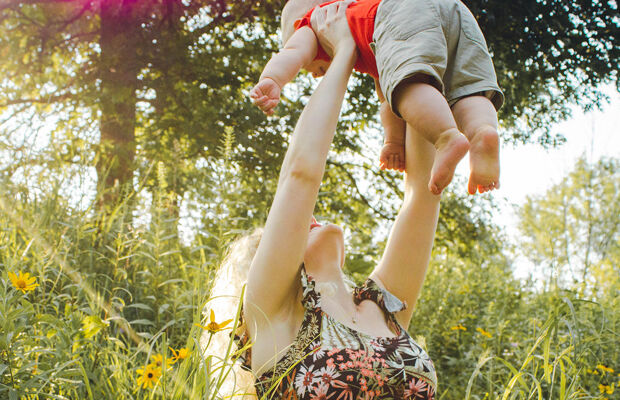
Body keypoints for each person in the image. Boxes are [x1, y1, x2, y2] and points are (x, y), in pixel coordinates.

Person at [203, 3, 440, 398]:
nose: (306, 216)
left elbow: (423, 195)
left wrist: (407, 59)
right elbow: (302, 173)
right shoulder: (273, 311)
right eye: (287, 231)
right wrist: (344, 50)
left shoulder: (382, 307)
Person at [250, 0, 504, 195]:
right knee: (466, 87)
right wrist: (393, 142)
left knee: (408, 86)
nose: (316, 76)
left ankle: (446, 137)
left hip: (404, 12)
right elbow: (387, 100)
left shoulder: (315, 22)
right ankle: (483, 132)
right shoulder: (371, 28)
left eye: (312, 69)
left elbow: (293, 52)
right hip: (454, 10)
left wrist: (272, 80)